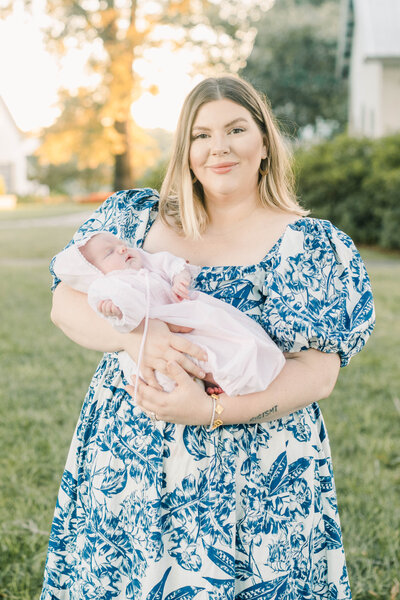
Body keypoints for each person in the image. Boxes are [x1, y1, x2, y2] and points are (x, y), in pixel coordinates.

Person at [41, 75, 375, 599]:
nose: (218, 147)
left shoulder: (311, 247)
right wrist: (136, 342)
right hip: (132, 460)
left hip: (261, 473)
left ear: (265, 142)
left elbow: (318, 373)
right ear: (185, 149)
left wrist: (210, 412)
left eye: (236, 129)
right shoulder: (131, 221)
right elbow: (65, 301)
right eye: (201, 135)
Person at [52, 231, 285, 397]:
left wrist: (179, 279)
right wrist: (115, 313)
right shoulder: (110, 286)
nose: (122, 248)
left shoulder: (145, 263)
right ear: (95, 273)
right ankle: (186, 388)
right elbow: (125, 313)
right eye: (109, 252)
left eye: (120, 243)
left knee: (218, 342)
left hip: (186, 314)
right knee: (170, 363)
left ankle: (222, 379)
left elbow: (170, 263)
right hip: (157, 331)